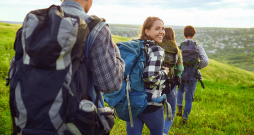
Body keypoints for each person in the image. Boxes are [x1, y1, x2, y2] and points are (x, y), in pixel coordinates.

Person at [60, 0, 125, 107]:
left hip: (36, 113)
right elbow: (109, 85)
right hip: (80, 114)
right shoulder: (95, 27)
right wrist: (116, 52)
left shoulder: (37, 21)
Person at [126, 16, 169, 135]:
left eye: (163, 28)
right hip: (151, 103)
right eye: (157, 28)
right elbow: (150, 77)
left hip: (132, 102)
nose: (162, 32)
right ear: (147, 31)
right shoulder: (156, 50)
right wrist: (165, 72)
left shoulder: (134, 46)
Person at [176, 25, 209, 125]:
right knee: (189, 98)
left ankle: (179, 106)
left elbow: (174, 59)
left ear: (184, 34)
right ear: (193, 34)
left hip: (181, 74)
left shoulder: (179, 45)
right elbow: (205, 61)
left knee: (180, 90)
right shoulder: (198, 46)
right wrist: (197, 67)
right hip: (192, 76)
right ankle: (185, 119)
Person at [160, 27, 184, 135]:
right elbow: (180, 69)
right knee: (172, 111)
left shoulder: (157, 47)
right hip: (171, 84)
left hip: (157, 83)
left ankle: (157, 131)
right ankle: (164, 132)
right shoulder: (176, 50)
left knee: (160, 110)